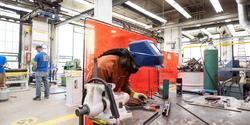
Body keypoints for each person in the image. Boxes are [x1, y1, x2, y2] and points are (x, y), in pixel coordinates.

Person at [86, 40, 163, 102]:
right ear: (131, 57)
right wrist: (124, 100)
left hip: (111, 104)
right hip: (97, 106)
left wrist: (133, 94)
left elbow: (124, 84)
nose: (137, 68)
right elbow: (98, 94)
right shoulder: (105, 65)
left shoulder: (127, 66)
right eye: (137, 65)